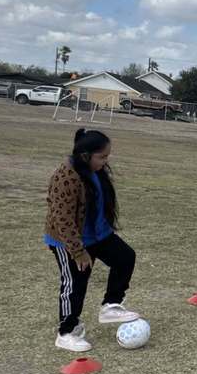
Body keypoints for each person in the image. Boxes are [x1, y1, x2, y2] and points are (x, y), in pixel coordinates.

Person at [45, 129, 139, 352]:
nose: (106, 161)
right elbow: (63, 219)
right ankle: (66, 331)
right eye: (102, 157)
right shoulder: (65, 177)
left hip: (98, 235)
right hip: (69, 241)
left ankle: (111, 305)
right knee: (76, 283)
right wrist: (78, 251)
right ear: (86, 155)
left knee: (125, 257)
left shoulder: (93, 170)